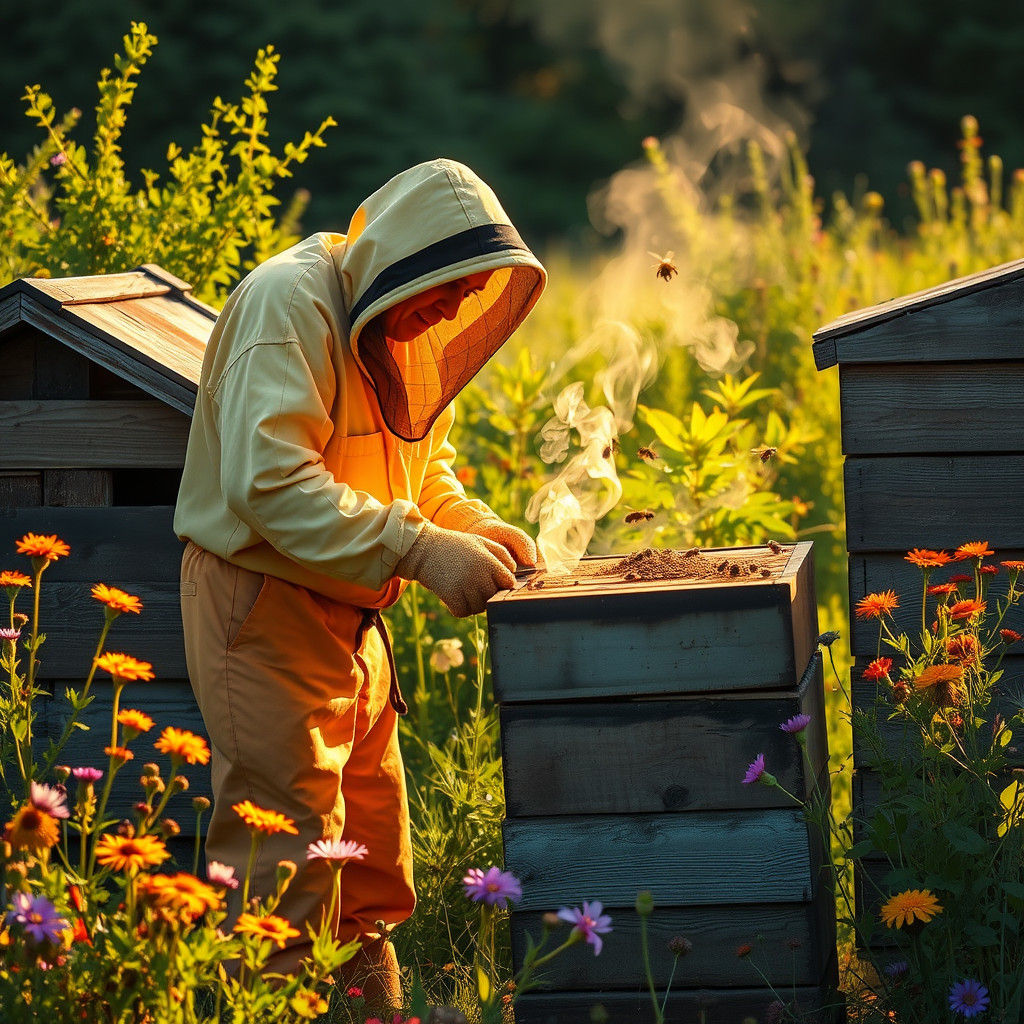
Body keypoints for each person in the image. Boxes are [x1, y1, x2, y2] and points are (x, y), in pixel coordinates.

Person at [173, 158, 546, 1008]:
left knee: (371, 851)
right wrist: (417, 551)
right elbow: (269, 485)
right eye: (448, 287)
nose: (454, 309)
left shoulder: (407, 337)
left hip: (353, 616)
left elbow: (423, 474)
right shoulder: (289, 304)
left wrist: (471, 526)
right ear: (402, 258)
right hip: (260, 603)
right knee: (291, 859)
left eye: (473, 294)